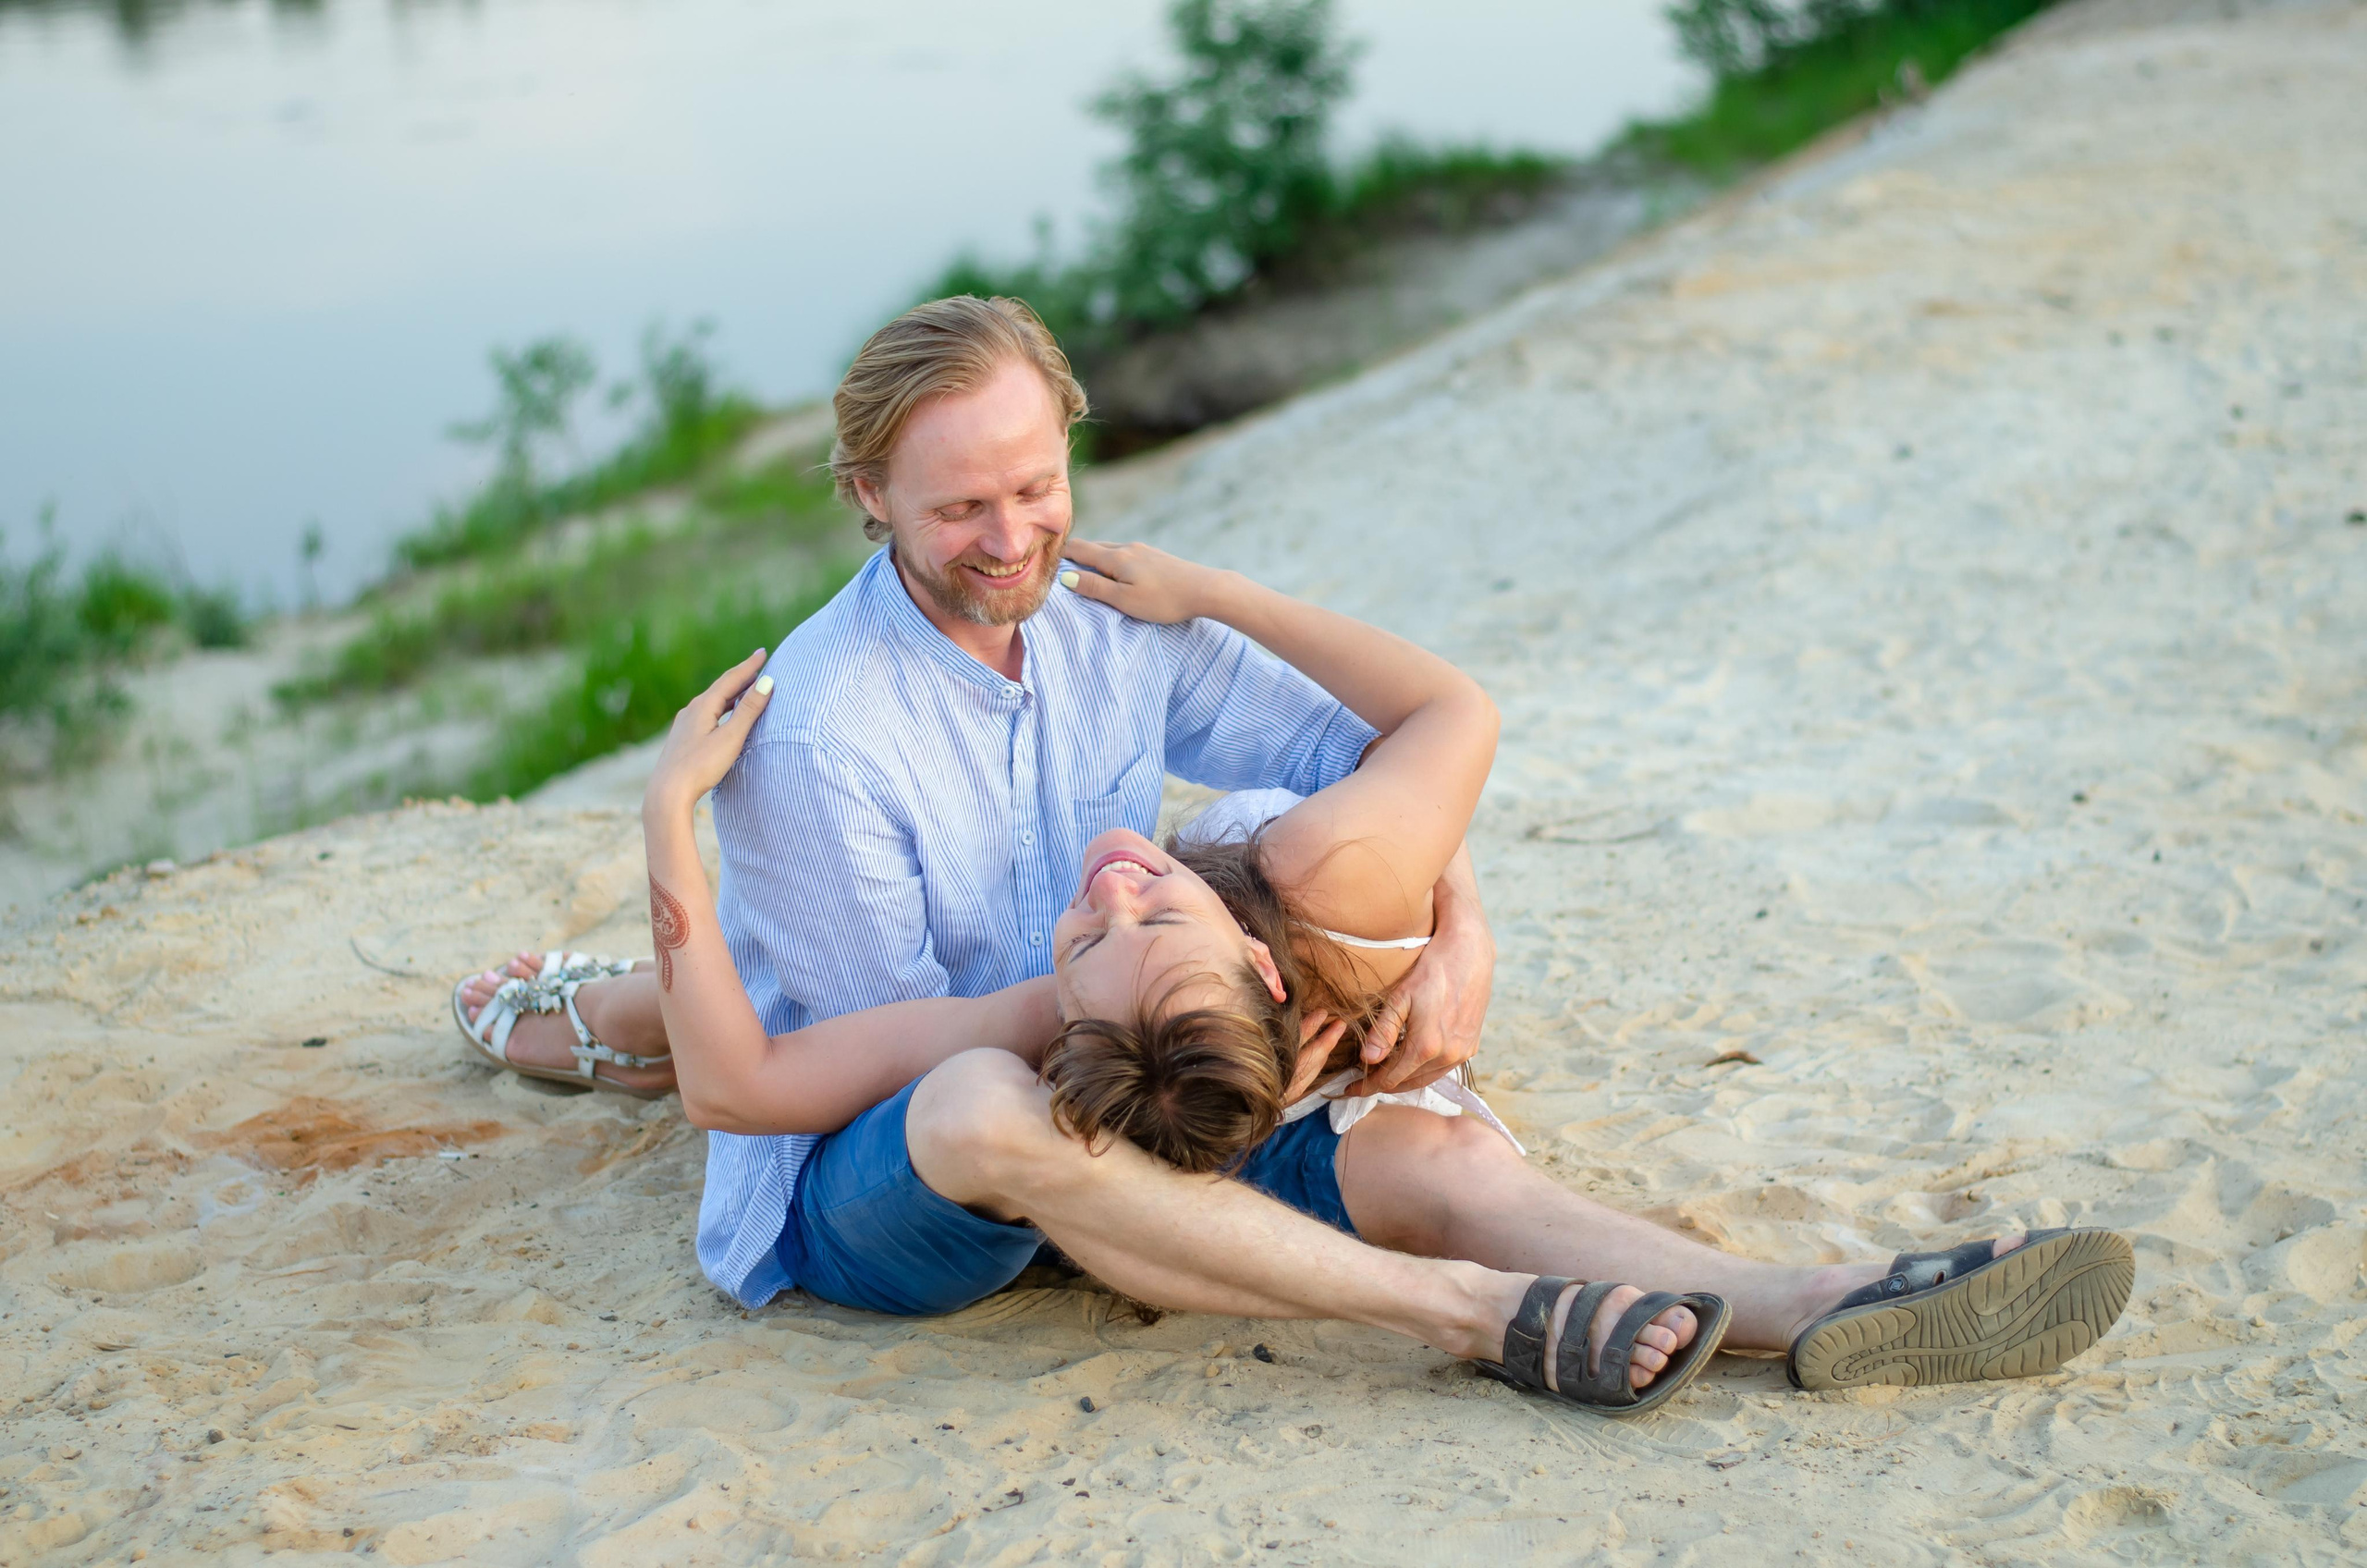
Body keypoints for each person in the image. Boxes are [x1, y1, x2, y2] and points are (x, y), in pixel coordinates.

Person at [454, 296, 2133, 1412]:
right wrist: (1186, 986)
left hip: (1151, 1051)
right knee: (1001, 1106)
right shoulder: (823, 736)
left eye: (1036, 484)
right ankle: (1471, 1319)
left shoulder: (1108, 611)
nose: (1011, 538)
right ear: (866, 495)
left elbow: (1384, 766)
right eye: (959, 508)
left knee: (1429, 1150)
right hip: (917, 1179)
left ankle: (1814, 1298)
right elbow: (798, 1080)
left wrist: (1452, 942)